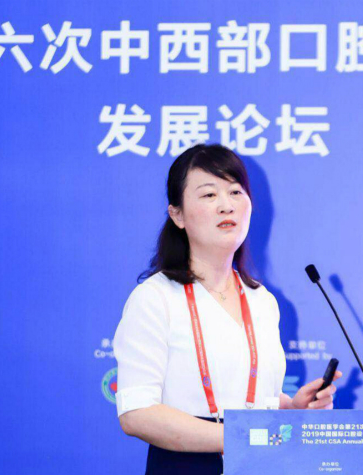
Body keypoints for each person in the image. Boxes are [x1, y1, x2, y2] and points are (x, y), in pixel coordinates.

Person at [112, 143, 342, 474]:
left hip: (260, 463)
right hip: (186, 465)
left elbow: (245, 397)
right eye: (209, 195)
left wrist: (292, 408)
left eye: (235, 192)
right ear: (177, 215)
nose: (226, 205)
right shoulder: (155, 298)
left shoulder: (262, 300)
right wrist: (239, 437)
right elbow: (137, 413)